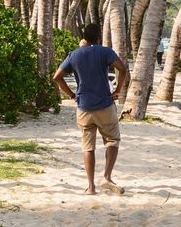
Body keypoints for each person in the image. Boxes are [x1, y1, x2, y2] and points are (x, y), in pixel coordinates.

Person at [53, 23, 129, 196]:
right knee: (112, 140)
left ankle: (91, 187)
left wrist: (72, 95)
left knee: (88, 147)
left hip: (84, 107)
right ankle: (107, 177)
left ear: (84, 38)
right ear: (99, 38)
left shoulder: (74, 55)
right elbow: (122, 69)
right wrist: (117, 91)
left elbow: (57, 77)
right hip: (104, 105)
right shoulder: (105, 52)